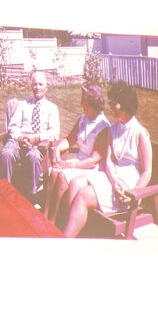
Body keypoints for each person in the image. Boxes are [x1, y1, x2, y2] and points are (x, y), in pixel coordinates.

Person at [61, 82, 152, 238]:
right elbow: (108, 161)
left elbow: (146, 171)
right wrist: (113, 180)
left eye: (114, 103)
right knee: (75, 182)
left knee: (83, 195)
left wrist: (133, 193)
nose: (111, 106)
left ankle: (66, 239)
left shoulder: (140, 133)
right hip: (112, 177)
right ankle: (70, 229)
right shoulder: (114, 129)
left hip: (127, 186)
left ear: (126, 104)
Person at [44, 84, 110, 222]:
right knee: (54, 171)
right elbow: (69, 140)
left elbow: (93, 160)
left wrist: (69, 165)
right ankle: (46, 213)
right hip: (79, 162)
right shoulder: (83, 119)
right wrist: (57, 149)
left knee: (62, 175)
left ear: (93, 104)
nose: (81, 103)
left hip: (92, 169)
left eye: (84, 101)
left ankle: (56, 220)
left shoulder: (103, 127)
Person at [0, 70, 60, 200]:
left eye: (40, 84)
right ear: (31, 86)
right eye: (34, 84)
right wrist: (20, 138)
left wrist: (37, 138)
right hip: (18, 139)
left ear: (46, 87)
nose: (37, 87)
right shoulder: (23, 105)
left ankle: (32, 195)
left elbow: (55, 133)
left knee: (33, 157)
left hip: (37, 142)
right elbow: (13, 125)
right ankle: (5, 192)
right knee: (6, 153)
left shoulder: (52, 108)